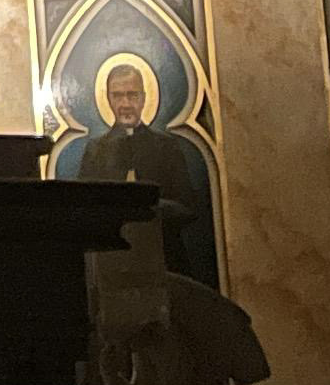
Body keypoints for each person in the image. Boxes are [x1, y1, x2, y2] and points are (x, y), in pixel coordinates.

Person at [74, 57, 222, 292]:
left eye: (132, 95)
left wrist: (150, 208)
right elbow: (84, 209)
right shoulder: (96, 151)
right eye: (118, 95)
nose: (125, 103)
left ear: (144, 98)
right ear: (108, 99)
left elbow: (188, 206)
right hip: (113, 263)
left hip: (165, 257)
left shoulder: (166, 148)